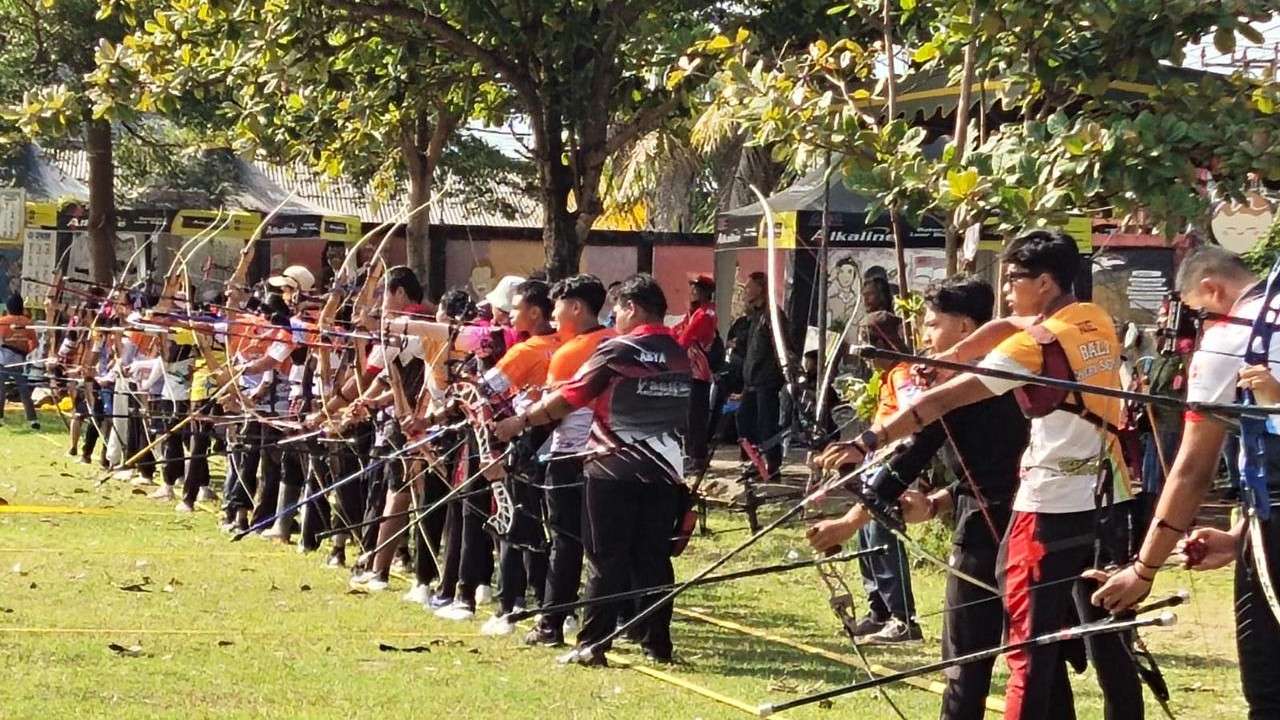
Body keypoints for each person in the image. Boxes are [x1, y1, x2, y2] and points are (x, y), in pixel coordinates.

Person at [818, 229, 1141, 719]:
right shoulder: (1092, 320)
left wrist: (867, 441)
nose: (1007, 288)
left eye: (1014, 277)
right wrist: (950, 357)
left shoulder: (1028, 351)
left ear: (1048, 282)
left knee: (1013, 661)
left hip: (1038, 514)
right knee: (1091, 647)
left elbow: (936, 409)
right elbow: (1005, 323)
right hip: (1103, 502)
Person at [809, 276, 1030, 718]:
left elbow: (910, 455)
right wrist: (937, 503)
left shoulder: (965, 385)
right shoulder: (1014, 367)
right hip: (1023, 518)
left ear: (966, 327)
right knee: (1036, 659)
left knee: (966, 659)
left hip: (989, 530)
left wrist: (848, 522)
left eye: (933, 324)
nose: (925, 336)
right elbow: (992, 467)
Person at [1090, 246, 1280, 718]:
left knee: (1271, 691)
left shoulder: (1232, 335)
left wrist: (1144, 568)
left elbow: (1193, 467)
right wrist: (1240, 538)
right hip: (1264, 521)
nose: (1199, 323)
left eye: (1198, 310)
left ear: (1212, 288)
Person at [502, 274, 691, 666]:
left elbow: (569, 398)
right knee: (654, 560)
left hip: (611, 471)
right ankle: (658, 645)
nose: (614, 317)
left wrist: (518, 424)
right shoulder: (679, 353)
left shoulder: (618, 350)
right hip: (664, 472)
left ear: (633, 309)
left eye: (618, 309)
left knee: (606, 559)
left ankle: (592, 646)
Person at [514, 274, 614, 646]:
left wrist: (520, 429)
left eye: (558, 306)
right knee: (604, 544)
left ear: (576, 307)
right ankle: (611, 622)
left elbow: (554, 410)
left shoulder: (571, 352)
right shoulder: (616, 341)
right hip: (610, 458)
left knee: (565, 540)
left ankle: (551, 622)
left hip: (571, 456)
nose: (554, 315)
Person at [737, 271, 789, 477]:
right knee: (744, 420)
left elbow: (783, 346)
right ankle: (752, 462)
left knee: (767, 424)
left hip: (767, 380)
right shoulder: (755, 316)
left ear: (760, 289)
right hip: (751, 380)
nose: (746, 291)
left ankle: (772, 465)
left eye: (749, 287)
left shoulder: (773, 315)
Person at [674, 275, 717, 475]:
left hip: (699, 372)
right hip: (690, 372)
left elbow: (685, 338)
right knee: (688, 417)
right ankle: (692, 455)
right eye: (691, 289)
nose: (692, 292)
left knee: (695, 418)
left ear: (705, 293)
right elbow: (677, 331)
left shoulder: (705, 315)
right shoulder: (694, 313)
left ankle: (697, 458)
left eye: (696, 289)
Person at [0, 293, 39, 428]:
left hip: (3, 360)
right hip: (19, 361)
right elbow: (34, 342)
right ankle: (32, 419)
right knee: (24, 391)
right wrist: (25, 351)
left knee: (1, 389)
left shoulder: (3, 321)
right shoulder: (27, 323)